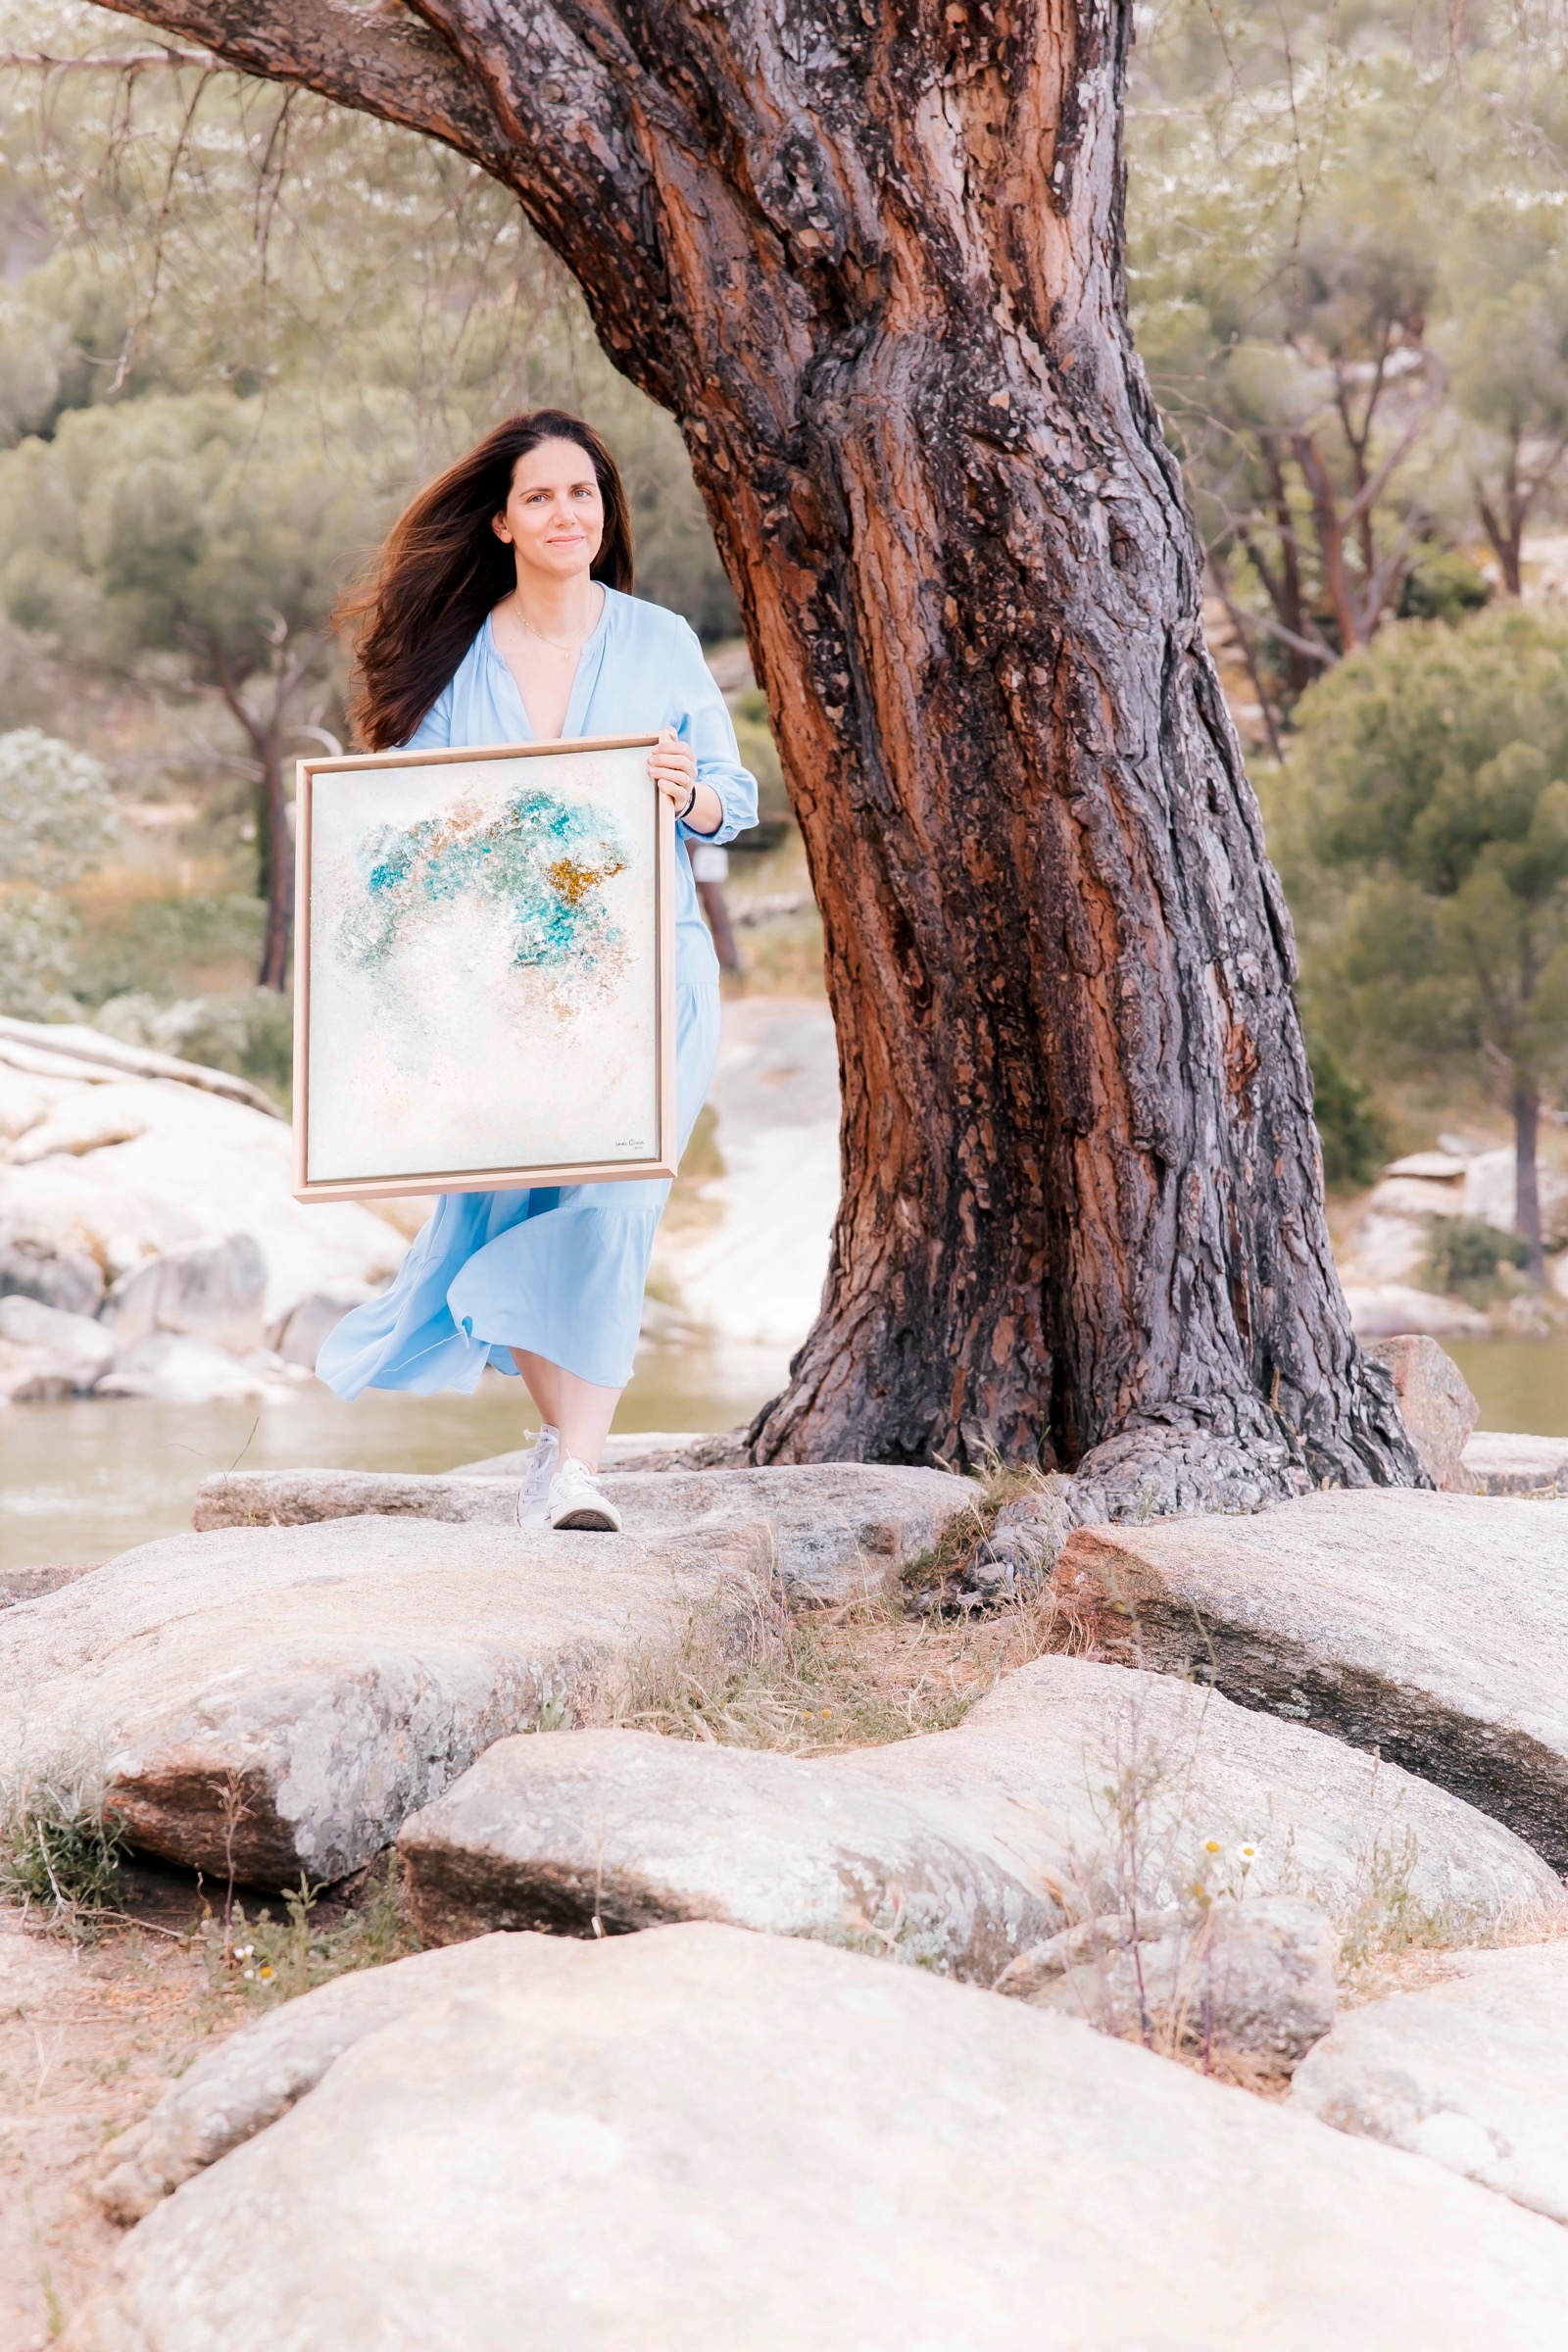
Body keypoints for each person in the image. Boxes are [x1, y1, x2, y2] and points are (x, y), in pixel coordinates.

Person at [316, 411, 758, 1533]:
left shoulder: (658, 641)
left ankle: (575, 1474)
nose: (569, 513)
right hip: (504, 992)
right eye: (544, 497)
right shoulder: (456, 657)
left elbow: (733, 800)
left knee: (616, 1204)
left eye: (585, 494)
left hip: (656, 973)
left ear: (605, 515)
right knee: (505, 1205)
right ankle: (561, 1461)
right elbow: (407, 820)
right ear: (504, 521)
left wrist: (683, 791)